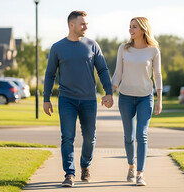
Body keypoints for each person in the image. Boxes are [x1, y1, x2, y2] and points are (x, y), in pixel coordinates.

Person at [43, 10, 114, 187]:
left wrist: (108, 92)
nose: (86, 26)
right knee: (67, 137)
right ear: (71, 25)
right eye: (82, 23)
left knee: (90, 137)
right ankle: (69, 173)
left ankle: (85, 166)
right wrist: (46, 98)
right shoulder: (57, 47)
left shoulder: (92, 45)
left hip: (89, 100)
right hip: (66, 99)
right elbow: (50, 74)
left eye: (86, 23)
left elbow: (103, 70)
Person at [111, 17, 162, 186]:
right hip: (125, 97)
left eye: (134, 27)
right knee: (129, 137)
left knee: (142, 134)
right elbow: (118, 73)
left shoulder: (153, 50)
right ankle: (131, 166)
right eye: (130, 27)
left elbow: (157, 76)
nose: (131, 30)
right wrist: (109, 92)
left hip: (145, 98)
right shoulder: (123, 49)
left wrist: (159, 99)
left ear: (143, 29)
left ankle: (140, 173)